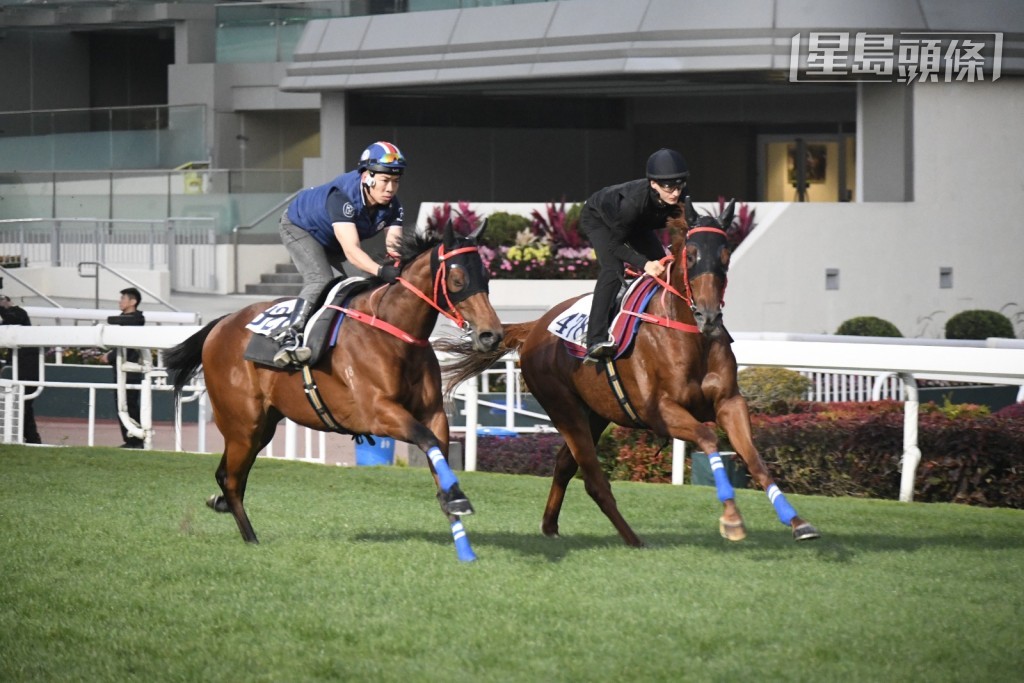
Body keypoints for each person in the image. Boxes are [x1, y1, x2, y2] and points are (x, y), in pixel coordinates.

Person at [272, 140, 407, 368]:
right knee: (320, 279)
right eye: (385, 180)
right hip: (301, 227)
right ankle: (289, 336)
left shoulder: (394, 206)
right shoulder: (343, 197)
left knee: (365, 282)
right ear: (367, 177)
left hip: (334, 235)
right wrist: (381, 270)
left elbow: (394, 247)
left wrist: (397, 268)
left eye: (396, 181)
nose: (390, 189)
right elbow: (352, 251)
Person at [579, 148, 690, 362]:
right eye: (668, 187)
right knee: (613, 269)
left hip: (637, 224)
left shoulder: (681, 196)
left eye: (679, 186)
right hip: (599, 219)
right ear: (653, 184)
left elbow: (687, 229)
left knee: (664, 268)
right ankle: (595, 340)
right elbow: (615, 246)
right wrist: (645, 264)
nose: (675, 194)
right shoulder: (631, 204)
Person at [105, 287, 145, 448]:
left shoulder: (135, 320)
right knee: (123, 405)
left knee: (129, 406)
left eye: (123, 298)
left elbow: (126, 346)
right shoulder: (125, 319)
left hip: (130, 371)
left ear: (133, 302)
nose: (120, 302)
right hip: (121, 370)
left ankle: (136, 440)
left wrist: (109, 357)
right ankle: (131, 440)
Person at [0, 294, 42, 444]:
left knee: (23, 405)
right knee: (21, 406)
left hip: (27, 368)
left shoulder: (18, 313)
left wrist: (3, 308)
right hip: (20, 367)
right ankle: (31, 438)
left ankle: (31, 438)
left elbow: (13, 319)